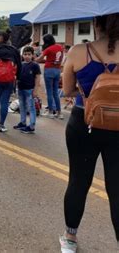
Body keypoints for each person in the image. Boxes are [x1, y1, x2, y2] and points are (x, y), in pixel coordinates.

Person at [60, 13, 119, 252]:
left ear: (97, 24)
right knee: (117, 187)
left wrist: (89, 92)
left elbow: (67, 91)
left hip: (84, 123)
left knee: (78, 181)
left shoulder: (77, 51)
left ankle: (70, 238)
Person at [13, 46, 41, 134]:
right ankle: (23, 122)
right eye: (25, 54)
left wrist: (36, 89)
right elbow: (17, 76)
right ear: (22, 55)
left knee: (31, 107)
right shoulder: (21, 64)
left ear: (32, 55)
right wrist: (16, 85)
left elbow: (38, 77)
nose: (27, 56)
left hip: (30, 90)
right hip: (20, 88)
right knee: (22, 106)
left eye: (29, 54)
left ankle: (32, 126)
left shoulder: (35, 65)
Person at [36, 34, 64, 119]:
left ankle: (51, 112)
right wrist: (48, 60)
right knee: (55, 92)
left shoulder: (48, 49)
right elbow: (56, 59)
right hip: (57, 70)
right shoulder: (60, 47)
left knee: (49, 92)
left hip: (49, 70)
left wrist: (34, 59)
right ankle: (59, 112)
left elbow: (39, 59)